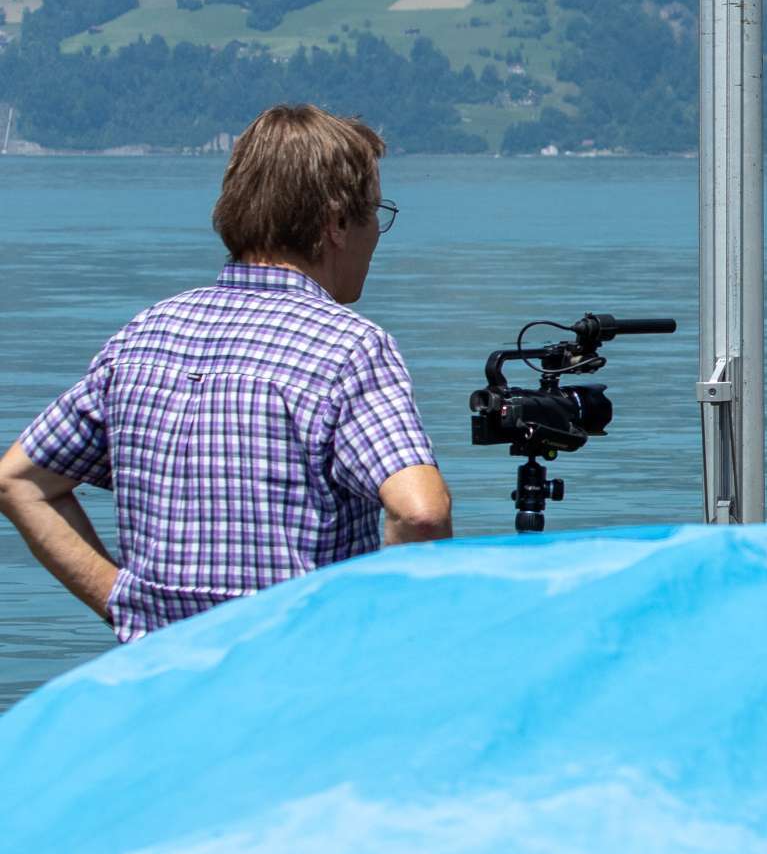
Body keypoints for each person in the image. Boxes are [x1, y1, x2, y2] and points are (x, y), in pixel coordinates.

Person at [0, 104, 453, 642]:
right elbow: (420, 514)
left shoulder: (142, 336)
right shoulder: (349, 349)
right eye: (375, 210)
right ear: (336, 223)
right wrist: (385, 637)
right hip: (299, 670)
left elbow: (18, 481)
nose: (377, 230)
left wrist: (125, 605)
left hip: (162, 672)